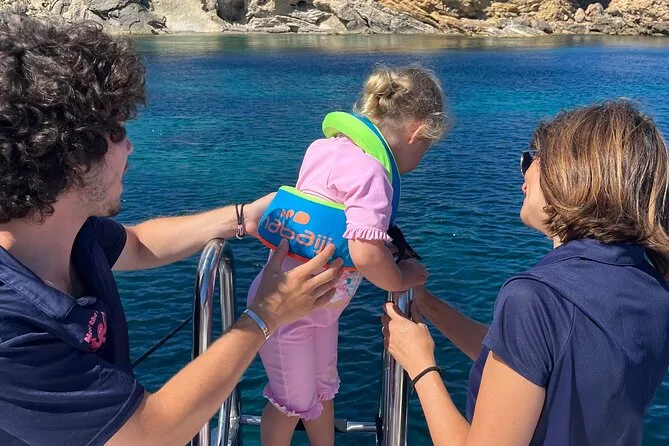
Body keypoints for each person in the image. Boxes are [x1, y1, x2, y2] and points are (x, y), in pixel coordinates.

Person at [0, 13, 343, 446]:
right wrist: (267, 314)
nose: (130, 146)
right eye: (117, 132)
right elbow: (150, 434)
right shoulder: (10, 322)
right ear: (72, 158)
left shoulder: (67, 231)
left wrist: (242, 217)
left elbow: (139, 245)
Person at [382, 100, 669, 445]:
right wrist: (429, 305)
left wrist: (420, 365)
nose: (523, 178)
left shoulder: (536, 298)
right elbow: (537, 359)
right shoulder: (653, 289)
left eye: (530, 161)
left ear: (569, 174)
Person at [247, 64, 446, 446]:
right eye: (426, 147)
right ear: (417, 132)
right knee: (291, 402)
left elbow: (331, 216)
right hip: (291, 308)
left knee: (322, 391)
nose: (422, 157)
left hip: (305, 299)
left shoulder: (323, 149)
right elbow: (366, 254)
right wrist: (402, 277)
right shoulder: (374, 174)